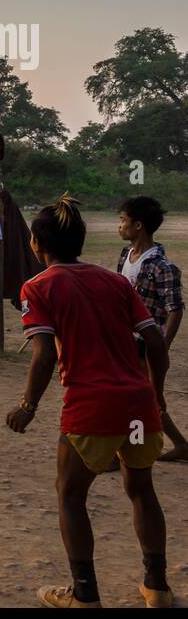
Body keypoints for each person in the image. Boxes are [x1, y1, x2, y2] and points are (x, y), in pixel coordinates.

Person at [6, 194, 173, 608]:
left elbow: (44, 355)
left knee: (70, 494)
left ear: (35, 244)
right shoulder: (115, 281)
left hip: (91, 406)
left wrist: (27, 407)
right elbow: (154, 341)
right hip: (138, 404)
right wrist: (157, 395)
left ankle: (85, 596)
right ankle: (157, 589)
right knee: (141, 489)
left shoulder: (38, 287)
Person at [116, 196, 186, 462]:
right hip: (127, 340)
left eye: (123, 221)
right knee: (142, 397)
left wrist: (162, 347)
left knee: (146, 397)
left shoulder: (161, 266)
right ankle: (180, 444)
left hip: (147, 343)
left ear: (139, 226)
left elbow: (175, 309)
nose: (119, 226)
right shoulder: (127, 255)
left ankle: (118, 451)